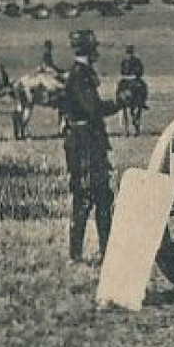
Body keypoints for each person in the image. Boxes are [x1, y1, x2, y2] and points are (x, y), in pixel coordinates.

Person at [61, 30, 120, 263]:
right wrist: (118, 103)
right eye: (95, 48)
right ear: (90, 50)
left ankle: (83, 254)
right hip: (86, 142)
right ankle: (92, 254)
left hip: (82, 139)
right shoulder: (81, 75)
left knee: (92, 197)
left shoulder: (79, 74)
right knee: (92, 197)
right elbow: (93, 109)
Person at [119, 44, 147, 109]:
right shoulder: (125, 61)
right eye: (129, 52)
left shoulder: (135, 60)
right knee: (119, 87)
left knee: (143, 86)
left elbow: (140, 70)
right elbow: (122, 70)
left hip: (133, 78)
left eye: (130, 52)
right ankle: (119, 100)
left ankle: (142, 101)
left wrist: (136, 74)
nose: (129, 54)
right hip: (129, 78)